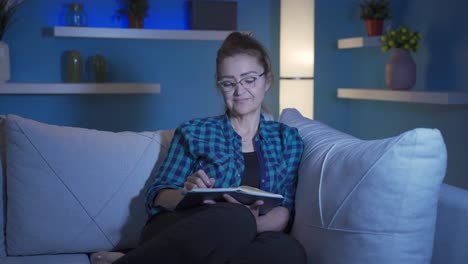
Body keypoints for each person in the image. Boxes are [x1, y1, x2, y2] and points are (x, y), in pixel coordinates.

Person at [91, 32, 306, 264]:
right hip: (183, 228)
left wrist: (250, 225)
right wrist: (187, 193)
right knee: (235, 218)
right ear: (219, 86)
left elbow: (285, 209)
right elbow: (158, 196)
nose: (239, 90)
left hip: (247, 235)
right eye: (228, 82)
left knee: (289, 251)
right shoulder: (194, 132)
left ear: (268, 81)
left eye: (249, 79)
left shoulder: (287, 138)